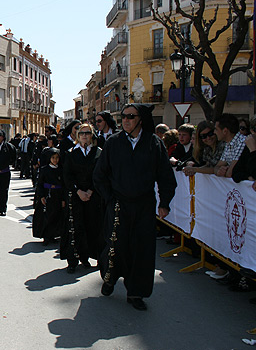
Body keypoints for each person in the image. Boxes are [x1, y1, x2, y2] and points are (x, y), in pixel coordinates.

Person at [93, 103, 176, 311]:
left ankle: (136, 292)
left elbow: (166, 176)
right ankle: (109, 279)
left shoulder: (154, 143)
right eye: (124, 116)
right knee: (115, 246)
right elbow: (99, 175)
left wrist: (164, 202)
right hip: (119, 204)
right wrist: (109, 198)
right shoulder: (113, 142)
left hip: (144, 205)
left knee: (142, 249)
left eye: (131, 116)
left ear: (141, 119)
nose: (126, 120)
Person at [62, 123, 104, 273]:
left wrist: (91, 190)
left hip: (93, 195)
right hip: (76, 195)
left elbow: (100, 174)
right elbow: (67, 175)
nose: (84, 136)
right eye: (81, 133)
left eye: (87, 133)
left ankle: (92, 257)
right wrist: (78, 190)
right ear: (77, 136)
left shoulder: (99, 152)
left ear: (92, 135)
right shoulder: (71, 153)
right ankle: (73, 260)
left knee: (94, 226)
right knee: (76, 227)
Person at [33, 148, 64, 245]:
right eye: (53, 158)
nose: (55, 160)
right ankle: (46, 236)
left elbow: (64, 184)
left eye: (57, 158)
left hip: (58, 195)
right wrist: (41, 196)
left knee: (56, 216)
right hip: (48, 195)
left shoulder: (61, 170)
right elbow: (40, 184)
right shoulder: (44, 169)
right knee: (47, 216)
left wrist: (63, 199)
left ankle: (53, 235)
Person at [214, 113, 247, 179]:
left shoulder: (243, 142)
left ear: (225, 131)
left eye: (216, 129)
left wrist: (225, 171)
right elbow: (217, 167)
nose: (214, 132)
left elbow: (230, 173)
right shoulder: (228, 144)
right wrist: (219, 171)